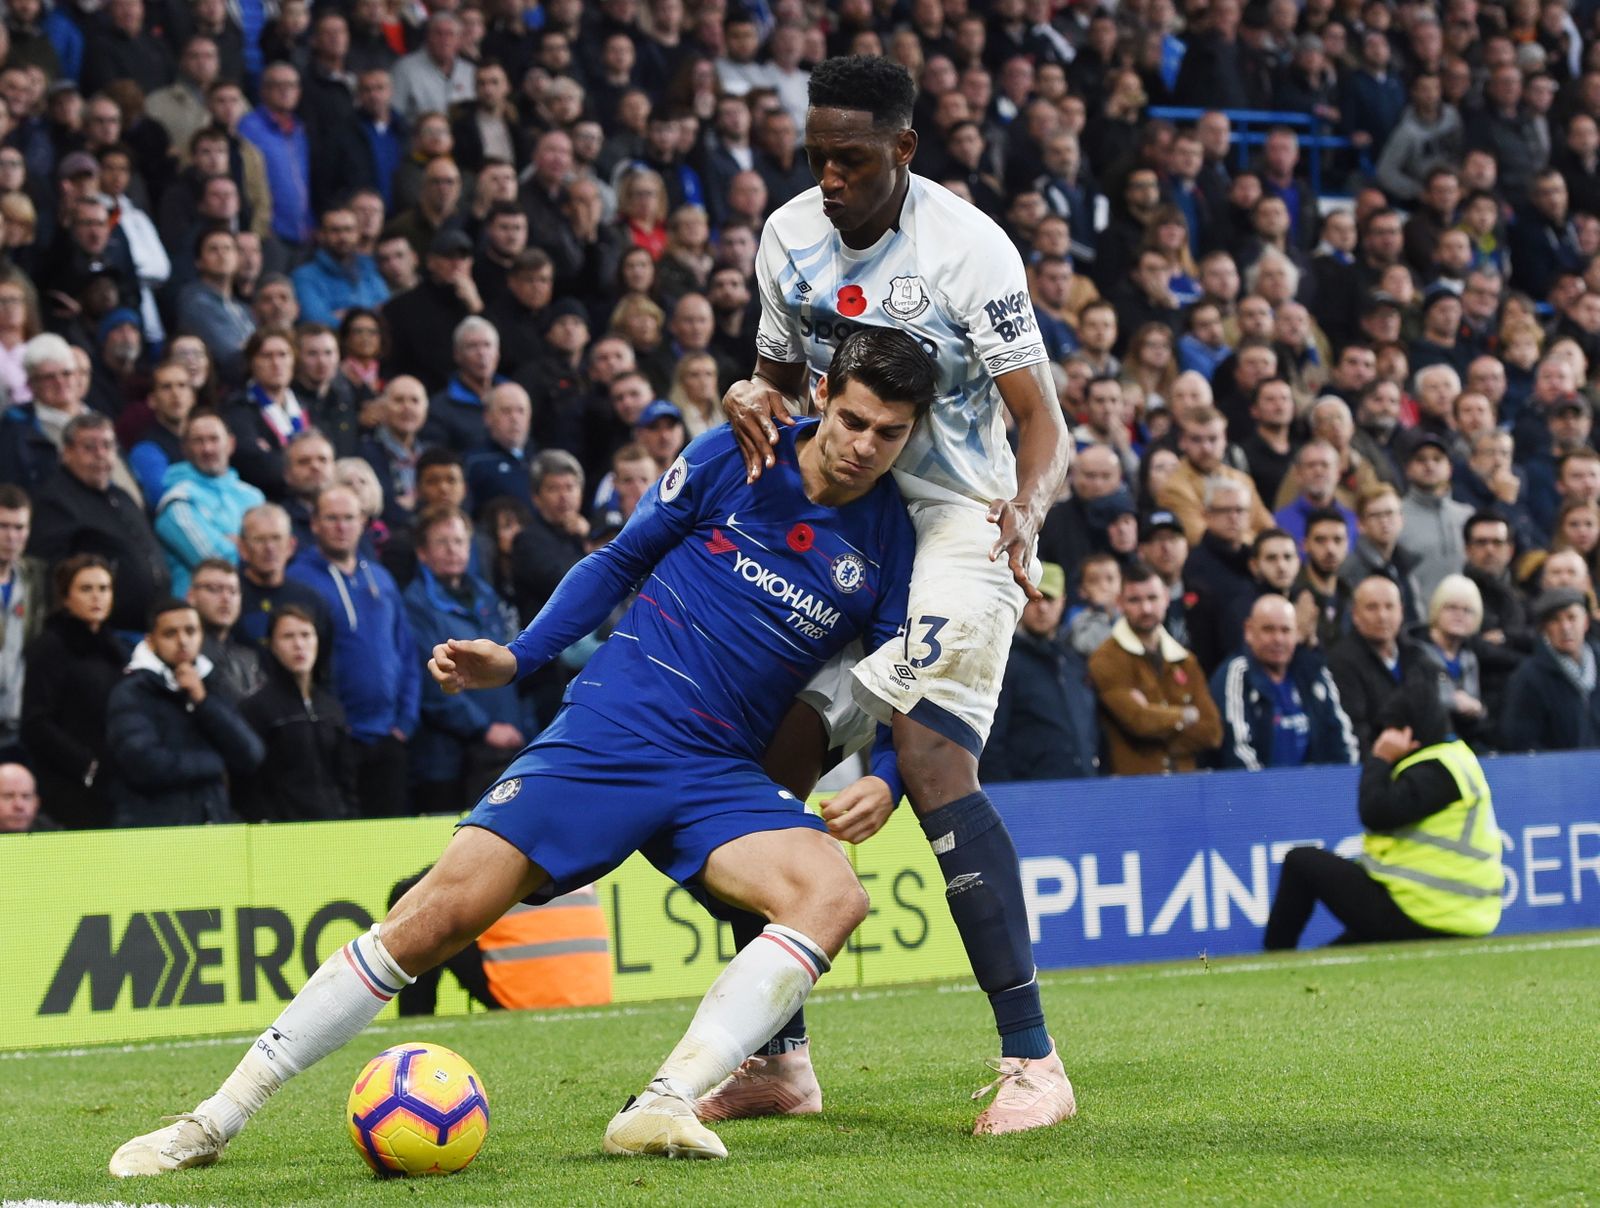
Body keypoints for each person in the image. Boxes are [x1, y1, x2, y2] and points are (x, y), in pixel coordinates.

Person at [108, 326, 934, 1172]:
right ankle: (213, 1120)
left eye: (890, 434)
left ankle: (663, 1102)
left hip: (720, 770)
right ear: (825, 394)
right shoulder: (737, 452)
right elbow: (617, 562)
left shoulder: (890, 539)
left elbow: (902, 671)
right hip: (613, 732)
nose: (865, 446)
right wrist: (516, 657)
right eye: (855, 421)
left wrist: (888, 778)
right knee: (430, 923)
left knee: (832, 895)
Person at [716, 56, 1076, 1133]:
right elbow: (777, 385)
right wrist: (747, 391)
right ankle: (776, 1056)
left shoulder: (970, 248)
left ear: (904, 152)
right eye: (817, 155)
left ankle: (1032, 1061)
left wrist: (1031, 508)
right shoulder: (787, 236)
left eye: (852, 158)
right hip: (851, 516)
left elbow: (1041, 420)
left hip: (965, 519)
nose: (828, 175)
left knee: (925, 757)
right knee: (769, 755)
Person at [1264, 677, 1502, 949]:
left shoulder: (1436, 769)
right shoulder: (1454, 760)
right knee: (1331, 959)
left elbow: (1375, 812)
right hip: (1439, 909)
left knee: (1300, 861)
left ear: (1408, 733)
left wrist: (1380, 759)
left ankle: (1275, 953)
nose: (1383, 737)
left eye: (1389, 729)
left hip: (1426, 911)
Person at [286, 484, 420, 819]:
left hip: (389, 736)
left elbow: (406, 650)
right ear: (314, 523)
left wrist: (405, 720)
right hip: (334, 737)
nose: (341, 526)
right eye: (331, 518)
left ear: (362, 522)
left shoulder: (381, 577)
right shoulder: (299, 580)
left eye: (349, 517)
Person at [403, 506, 529, 814]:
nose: (453, 550)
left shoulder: (487, 596)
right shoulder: (415, 604)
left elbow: (513, 660)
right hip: (446, 759)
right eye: (442, 542)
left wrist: (520, 725)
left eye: (459, 541)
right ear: (423, 553)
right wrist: (484, 728)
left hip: (504, 746)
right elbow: (430, 683)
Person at [105, 597, 264, 828]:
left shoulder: (211, 685)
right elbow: (144, 765)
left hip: (212, 824)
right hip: (153, 831)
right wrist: (217, 763)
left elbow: (251, 753)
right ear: (150, 642)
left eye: (191, 631)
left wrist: (203, 702)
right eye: (170, 633)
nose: (182, 641)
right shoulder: (132, 692)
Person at [27, 413, 170, 634]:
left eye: (107, 445)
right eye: (89, 447)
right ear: (67, 453)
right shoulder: (55, 501)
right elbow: (51, 574)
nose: (101, 454)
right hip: (99, 634)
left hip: (149, 629)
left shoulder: (122, 495)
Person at [20, 555, 127, 830]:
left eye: (104, 589)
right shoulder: (51, 647)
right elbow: (35, 721)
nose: (97, 597)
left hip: (115, 783)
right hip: (67, 786)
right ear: (65, 597)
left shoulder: (116, 649)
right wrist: (87, 766)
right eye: (86, 589)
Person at [1087, 561, 1222, 775]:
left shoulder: (1186, 660)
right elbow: (1138, 722)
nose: (1146, 608)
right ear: (1120, 603)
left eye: (1152, 598)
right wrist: (1186, 715)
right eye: (1135, 600)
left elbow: (1212, 731)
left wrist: (1154, 724)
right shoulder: (1105, 659)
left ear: (1166, 598)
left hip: (1185, 785)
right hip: (1135, 790)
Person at [235, 604, 357, 822]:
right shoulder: (255, 707)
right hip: (281, 832)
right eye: (288, 636)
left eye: (306, 635)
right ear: (272, 645)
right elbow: (249, 782)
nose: (299, 644)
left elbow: (346, 779)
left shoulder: (331, 707)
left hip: (335, 827)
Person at [981, 561, 1099, 782]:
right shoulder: (1003, 663)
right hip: (1029, 800)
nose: (1042, 607)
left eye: (1049, 599)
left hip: (1084, 791)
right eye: (1033, 598)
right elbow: (991, 743)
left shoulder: (1073, 663)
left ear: (1063, 601)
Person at [1210, 595, 1359, 770]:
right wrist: (1271, 793)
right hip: (1259, 793)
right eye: (1268, 630)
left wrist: (1344, 786)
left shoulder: (1314, 673)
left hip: (1315, 791)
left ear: (1296, 633)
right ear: (1249, 631)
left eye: (1285, 630)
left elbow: (1342, 739)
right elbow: (1237, 748)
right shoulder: (1237, 675)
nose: (1278, 639)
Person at [153, 410, 266, 596]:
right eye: (198, 441)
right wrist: (250, 547)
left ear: (231, 444)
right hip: (197, 612)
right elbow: (216, 564)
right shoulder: (177, 501)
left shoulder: (253, 496)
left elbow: (277, 552)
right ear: (185, 449)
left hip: (254, 598)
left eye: (214, 439)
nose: (207, 449)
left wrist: (235, 544)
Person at [1326, 576, 1436, 756]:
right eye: (1372, 607)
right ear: (1355, 614)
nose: (1382, 616)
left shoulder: (1419, 658)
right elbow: (1354, 728)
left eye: (1389, 607)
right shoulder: (1341, 662)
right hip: (1372, 765)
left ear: (1401, 611)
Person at [1499, 588, 1600, 750]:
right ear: (1544, 629)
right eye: (1555, 620)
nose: (1565, 627)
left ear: (1586, 622)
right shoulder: (1528, 678)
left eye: (1572, 618)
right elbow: (1521, 741)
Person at [235, 503, 328, 650]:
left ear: (291, 545)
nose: (269, 548)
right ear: (242, 548)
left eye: (276, 538)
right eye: (259, 539)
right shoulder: (229, 598)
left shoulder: (310, 601)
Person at [0, 485, 47, 762]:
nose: (11, 536)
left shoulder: (34, 578)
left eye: (19, 527)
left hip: (17, 720)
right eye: (3, 526)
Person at [187, 558, 263, 706]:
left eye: (233, 591)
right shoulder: (183, 653)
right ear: (191, 596)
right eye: (214, 589)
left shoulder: (250, 658)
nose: (226, 598)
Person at [0, 762, 47, 832]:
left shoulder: (55, 835)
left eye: (26, 796)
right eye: (8, 796)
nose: (19, 806)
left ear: (36, 803)